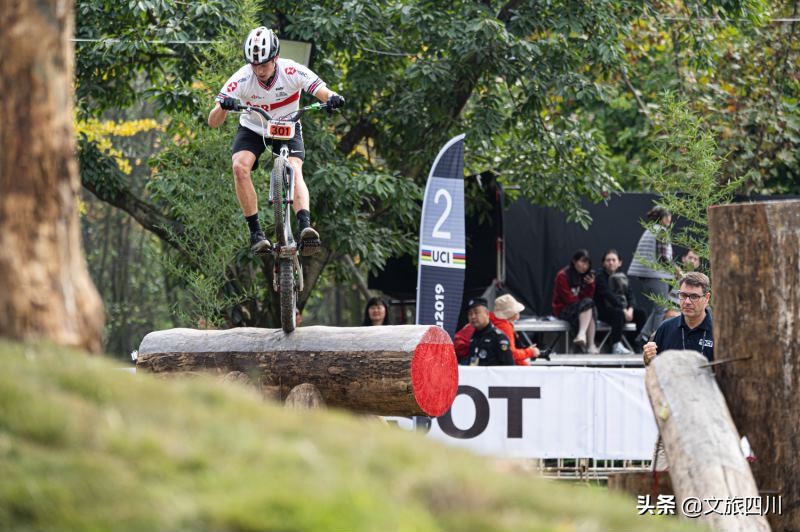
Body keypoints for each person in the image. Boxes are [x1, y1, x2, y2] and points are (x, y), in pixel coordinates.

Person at [208, 27, 345, 255]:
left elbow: (323, 91)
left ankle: (305, 226)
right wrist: (222, 106)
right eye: (254, 65)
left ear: (276, 58)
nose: (259, 71)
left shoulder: (292, 70)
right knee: (239, 167)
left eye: (264, 64)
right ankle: (256, 233)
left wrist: (332, 99)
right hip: (254, 127)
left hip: (288, 125)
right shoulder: (242, 77)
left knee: (294, 168)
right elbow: (213, 121)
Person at [627, 206, 675, 345]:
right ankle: (654, 341)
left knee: (658, 308)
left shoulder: (650, 230)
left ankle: (643, 337)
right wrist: (676, 271)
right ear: (664, 218)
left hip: (646, 275)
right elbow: (663, 258)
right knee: (661, 309)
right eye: (669, 216)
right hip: (655, 274)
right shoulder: (661, 231)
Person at [643, 272, 714, 365]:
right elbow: (652, 367)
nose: (687, 302)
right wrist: (647, 358)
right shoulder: (666, 328)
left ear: (707, 298)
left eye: (694, 296)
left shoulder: (718, 332)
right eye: (683, 295)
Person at [594, 249, 646, 354]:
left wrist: (630, 309)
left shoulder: (622, 277)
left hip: (624, 310)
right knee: (618, 313)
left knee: (641, 314)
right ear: (603, 263)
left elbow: (630, 295)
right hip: (604, 311)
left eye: (614, 260)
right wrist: (623, 309)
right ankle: (616, 345)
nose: (611, 262)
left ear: (619, 263)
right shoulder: (599, 277)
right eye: (608, 260)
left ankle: (636, 343)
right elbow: (609, 296)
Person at [551, 249, 598, 353]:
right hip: (563, 309)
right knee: (588, 304)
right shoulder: (562, 275)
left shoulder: (585, 276)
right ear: (574, 261)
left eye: (587, 263)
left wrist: (590, 285)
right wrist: (582, 302)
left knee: (590, 305)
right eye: (582, 262)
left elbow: (588, 297)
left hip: (580, 308)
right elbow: (568, 299)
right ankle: (589, 342)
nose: (584, 266)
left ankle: (586, 340)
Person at [464, 298, 514, 366]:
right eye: (470, 314)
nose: (473, 317)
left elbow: (509, 366)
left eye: (476, 313)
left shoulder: (498, 337)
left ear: (487, 314)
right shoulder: (474, 336)